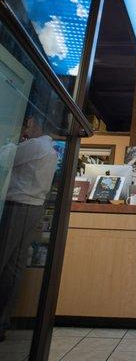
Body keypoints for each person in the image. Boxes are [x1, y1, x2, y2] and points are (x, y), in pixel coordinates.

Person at [0, 114, 57, 341]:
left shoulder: (35, 146)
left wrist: (10, 141)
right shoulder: (49, 149)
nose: (25, 128)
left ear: (33, 123)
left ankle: (3, 320)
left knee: (5, 260)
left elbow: (5, 157)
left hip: (18, 207)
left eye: (27, 124)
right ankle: (3, 321)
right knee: (14, 265)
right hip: (33, 208)